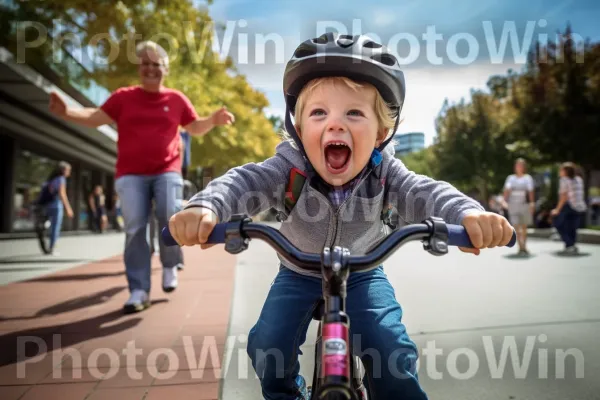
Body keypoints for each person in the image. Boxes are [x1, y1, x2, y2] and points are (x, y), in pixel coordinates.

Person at [168, 33, 514, 399]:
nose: (335, 125)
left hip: (364, 273)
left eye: (353, 113)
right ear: (300, 131)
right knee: (268, 345)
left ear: (381, 132)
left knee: (390, 351)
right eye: (319, 113)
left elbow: (424, 192)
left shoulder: (385, 172)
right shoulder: (289, 168)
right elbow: (243, 181)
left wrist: (469, 214)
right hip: (298, 272)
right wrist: (206, 207)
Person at [48, 40, 235, 313]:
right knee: (135, 228)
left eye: (155, 64)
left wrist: (213, 120)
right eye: (145, 64)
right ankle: (138, 289)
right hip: (131, 174)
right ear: (139, 68)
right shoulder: (123, 97)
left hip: (166, 170)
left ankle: (170, 264)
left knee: (170, 213)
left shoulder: (176, 99)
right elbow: (95, 116)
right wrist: (67, 113)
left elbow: (193, 127)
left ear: (165, 69)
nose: (150, 68)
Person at [38, 161, 74, 255]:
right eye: (68, 170)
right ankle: (52, 248)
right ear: (63, 170)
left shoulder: (52, 179)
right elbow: (62, 194)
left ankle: (45, 225)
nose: (69, 172)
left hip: (48, 205)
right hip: (57, 205)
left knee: (49, 222)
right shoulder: (61, 179)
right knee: (55, 227)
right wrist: (68, 208)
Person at [551, 162, 587, 253]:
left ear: (566, 171)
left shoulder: (564, 180)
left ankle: (568, 242)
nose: (560, 172)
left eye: (561, 170)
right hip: (579, 206)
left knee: (557, 222)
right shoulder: (579, 179)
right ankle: (571, 245)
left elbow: (564, 196)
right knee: (572, 227)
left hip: (569, 206)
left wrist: (557, 210)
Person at [503, 158, 535, 255]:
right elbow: (507, 190)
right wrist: (504, 201)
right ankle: (520, 246)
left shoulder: (527, 178)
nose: (519, 167)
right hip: (513, 205)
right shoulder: (511, 178)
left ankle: (524, 246)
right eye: (517, 165)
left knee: (524, 227)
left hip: (524, 205)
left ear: (524, 167)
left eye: (521, 165)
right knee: (516, 226)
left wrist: (532, 203)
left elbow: (530, 191)